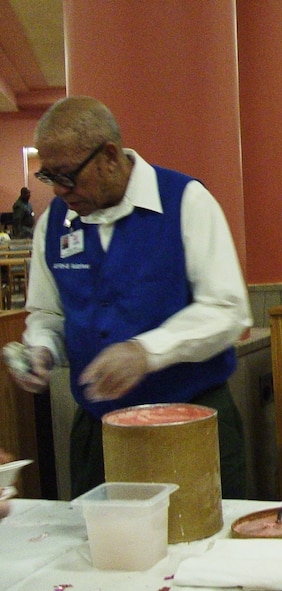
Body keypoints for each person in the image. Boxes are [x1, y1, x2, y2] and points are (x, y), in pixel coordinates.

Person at [6, 96, 252, 499]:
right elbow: (47, 313)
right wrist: (42, 351)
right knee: (101, 554)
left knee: (205, 554)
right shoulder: (54, 222)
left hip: (191, 420)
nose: (59, 190)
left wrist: (146, 351)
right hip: (98, 431)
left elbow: (228, 311)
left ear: (108, 156)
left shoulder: (185, 201)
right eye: (48, 176)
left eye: (67, 176)